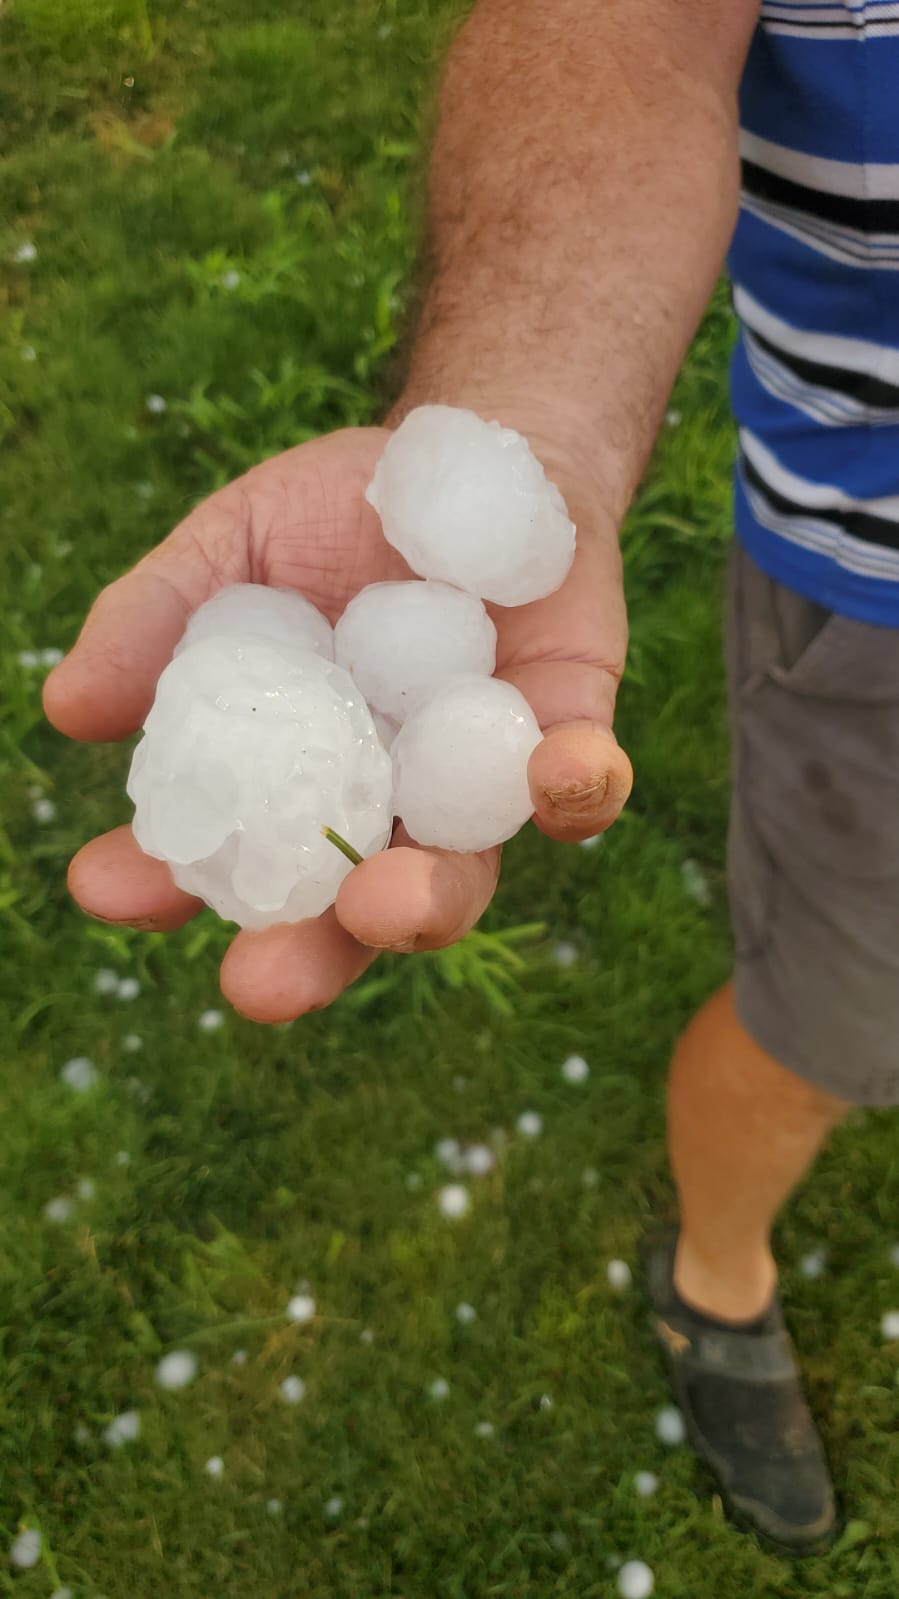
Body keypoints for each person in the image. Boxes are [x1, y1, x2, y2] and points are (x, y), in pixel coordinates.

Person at [43, 0, 899, 1558]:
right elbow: (625, 38)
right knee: (847, 1019)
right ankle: (716, 1282)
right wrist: (523, 429)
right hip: (879, 595)